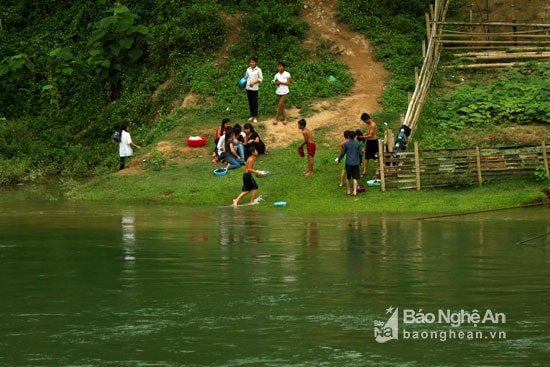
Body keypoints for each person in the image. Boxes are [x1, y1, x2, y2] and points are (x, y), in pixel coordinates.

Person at [337, 130, 363, 196]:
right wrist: (360, 161)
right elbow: (360, 154)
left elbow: (343, 153)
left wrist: (339, 159)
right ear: (355, 136)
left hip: (348, 162)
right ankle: (354, 191)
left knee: (348, 177)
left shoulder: (346, 144)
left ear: (348, 136)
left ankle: (348, 191)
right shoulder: (358, 144)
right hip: (356, 162)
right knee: (355, 177)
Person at [360, 112, 379, 177]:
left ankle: (377, 170)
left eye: (365, 121)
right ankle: (364, 171)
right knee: (366, 156)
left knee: (376, 156)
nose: (365, 122)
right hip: (369, 142)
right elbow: (368, 132)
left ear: (368, 119)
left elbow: (371, 135)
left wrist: (362, 137)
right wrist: (363, 134)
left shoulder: (373, 125)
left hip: (374, 141)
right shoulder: (367, 124)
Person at [245, 57, 263, 123]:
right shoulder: (248, 69)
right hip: (248, 88)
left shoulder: (258, 70)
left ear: (256, 63)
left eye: (253, 62)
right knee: (250, 102)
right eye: (250, 62)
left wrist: (254, 82)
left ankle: (255, 116)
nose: (251, 63)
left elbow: (261, 79)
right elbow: (246, 77)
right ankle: (252, 115)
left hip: (255, 88)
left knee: (254, 102)